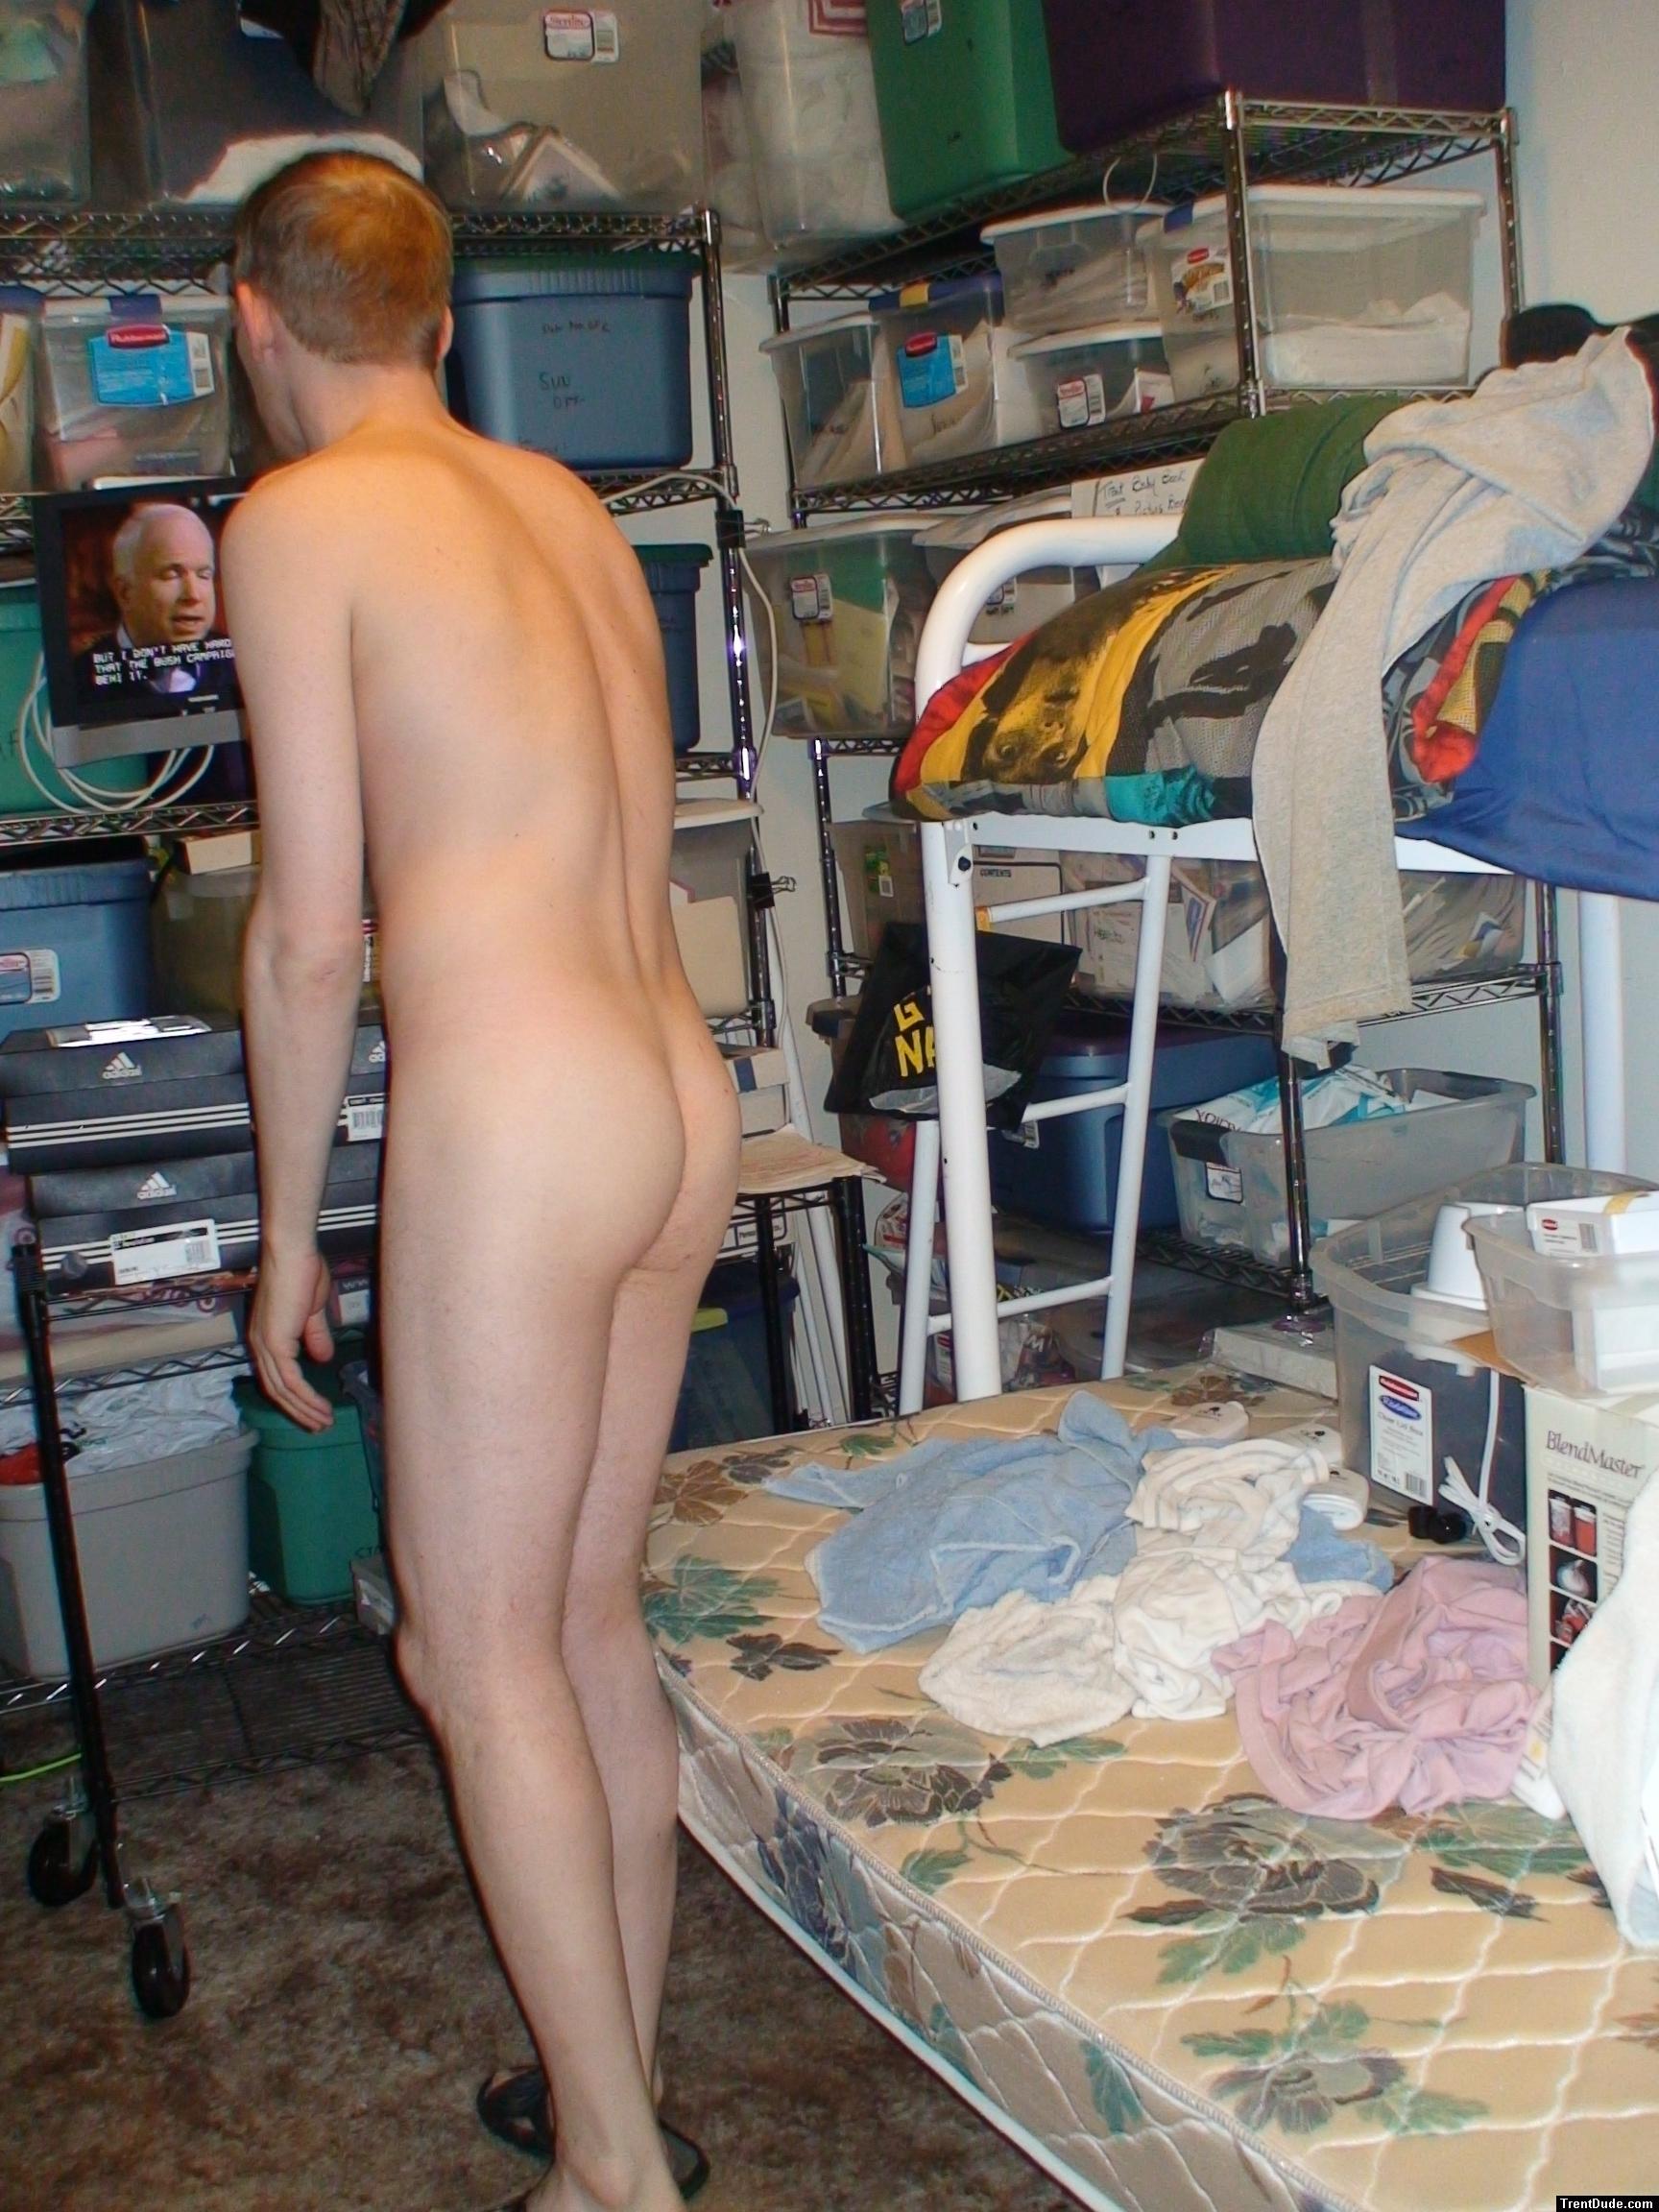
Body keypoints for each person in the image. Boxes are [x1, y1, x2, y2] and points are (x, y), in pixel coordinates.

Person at [227, 151, 739, 2212]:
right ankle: (616, 2085)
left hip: (522, 1116)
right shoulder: (570, 510)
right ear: (439, 322)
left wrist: (286, 1228)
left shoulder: (299, 520)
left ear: (256, 323)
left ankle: (611, 2169)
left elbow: (306, 935)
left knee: (473, 1647)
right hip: (674, 1086)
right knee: (584, 1620)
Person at [74, 502, 222, 703]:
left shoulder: (242, 665)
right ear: (125, 593)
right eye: (171, 575)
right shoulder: (79, 682)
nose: (193, 595)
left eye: (204, 575)